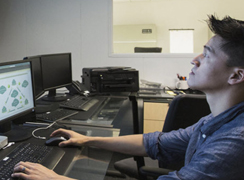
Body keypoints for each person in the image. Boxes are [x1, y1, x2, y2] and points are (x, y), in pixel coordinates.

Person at [12, 15, 244, 180]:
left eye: (207, 54)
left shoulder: (234, 142)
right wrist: (87, 139)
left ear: (236, 75)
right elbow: (155, 143)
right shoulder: (213, 122)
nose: (195, 60)